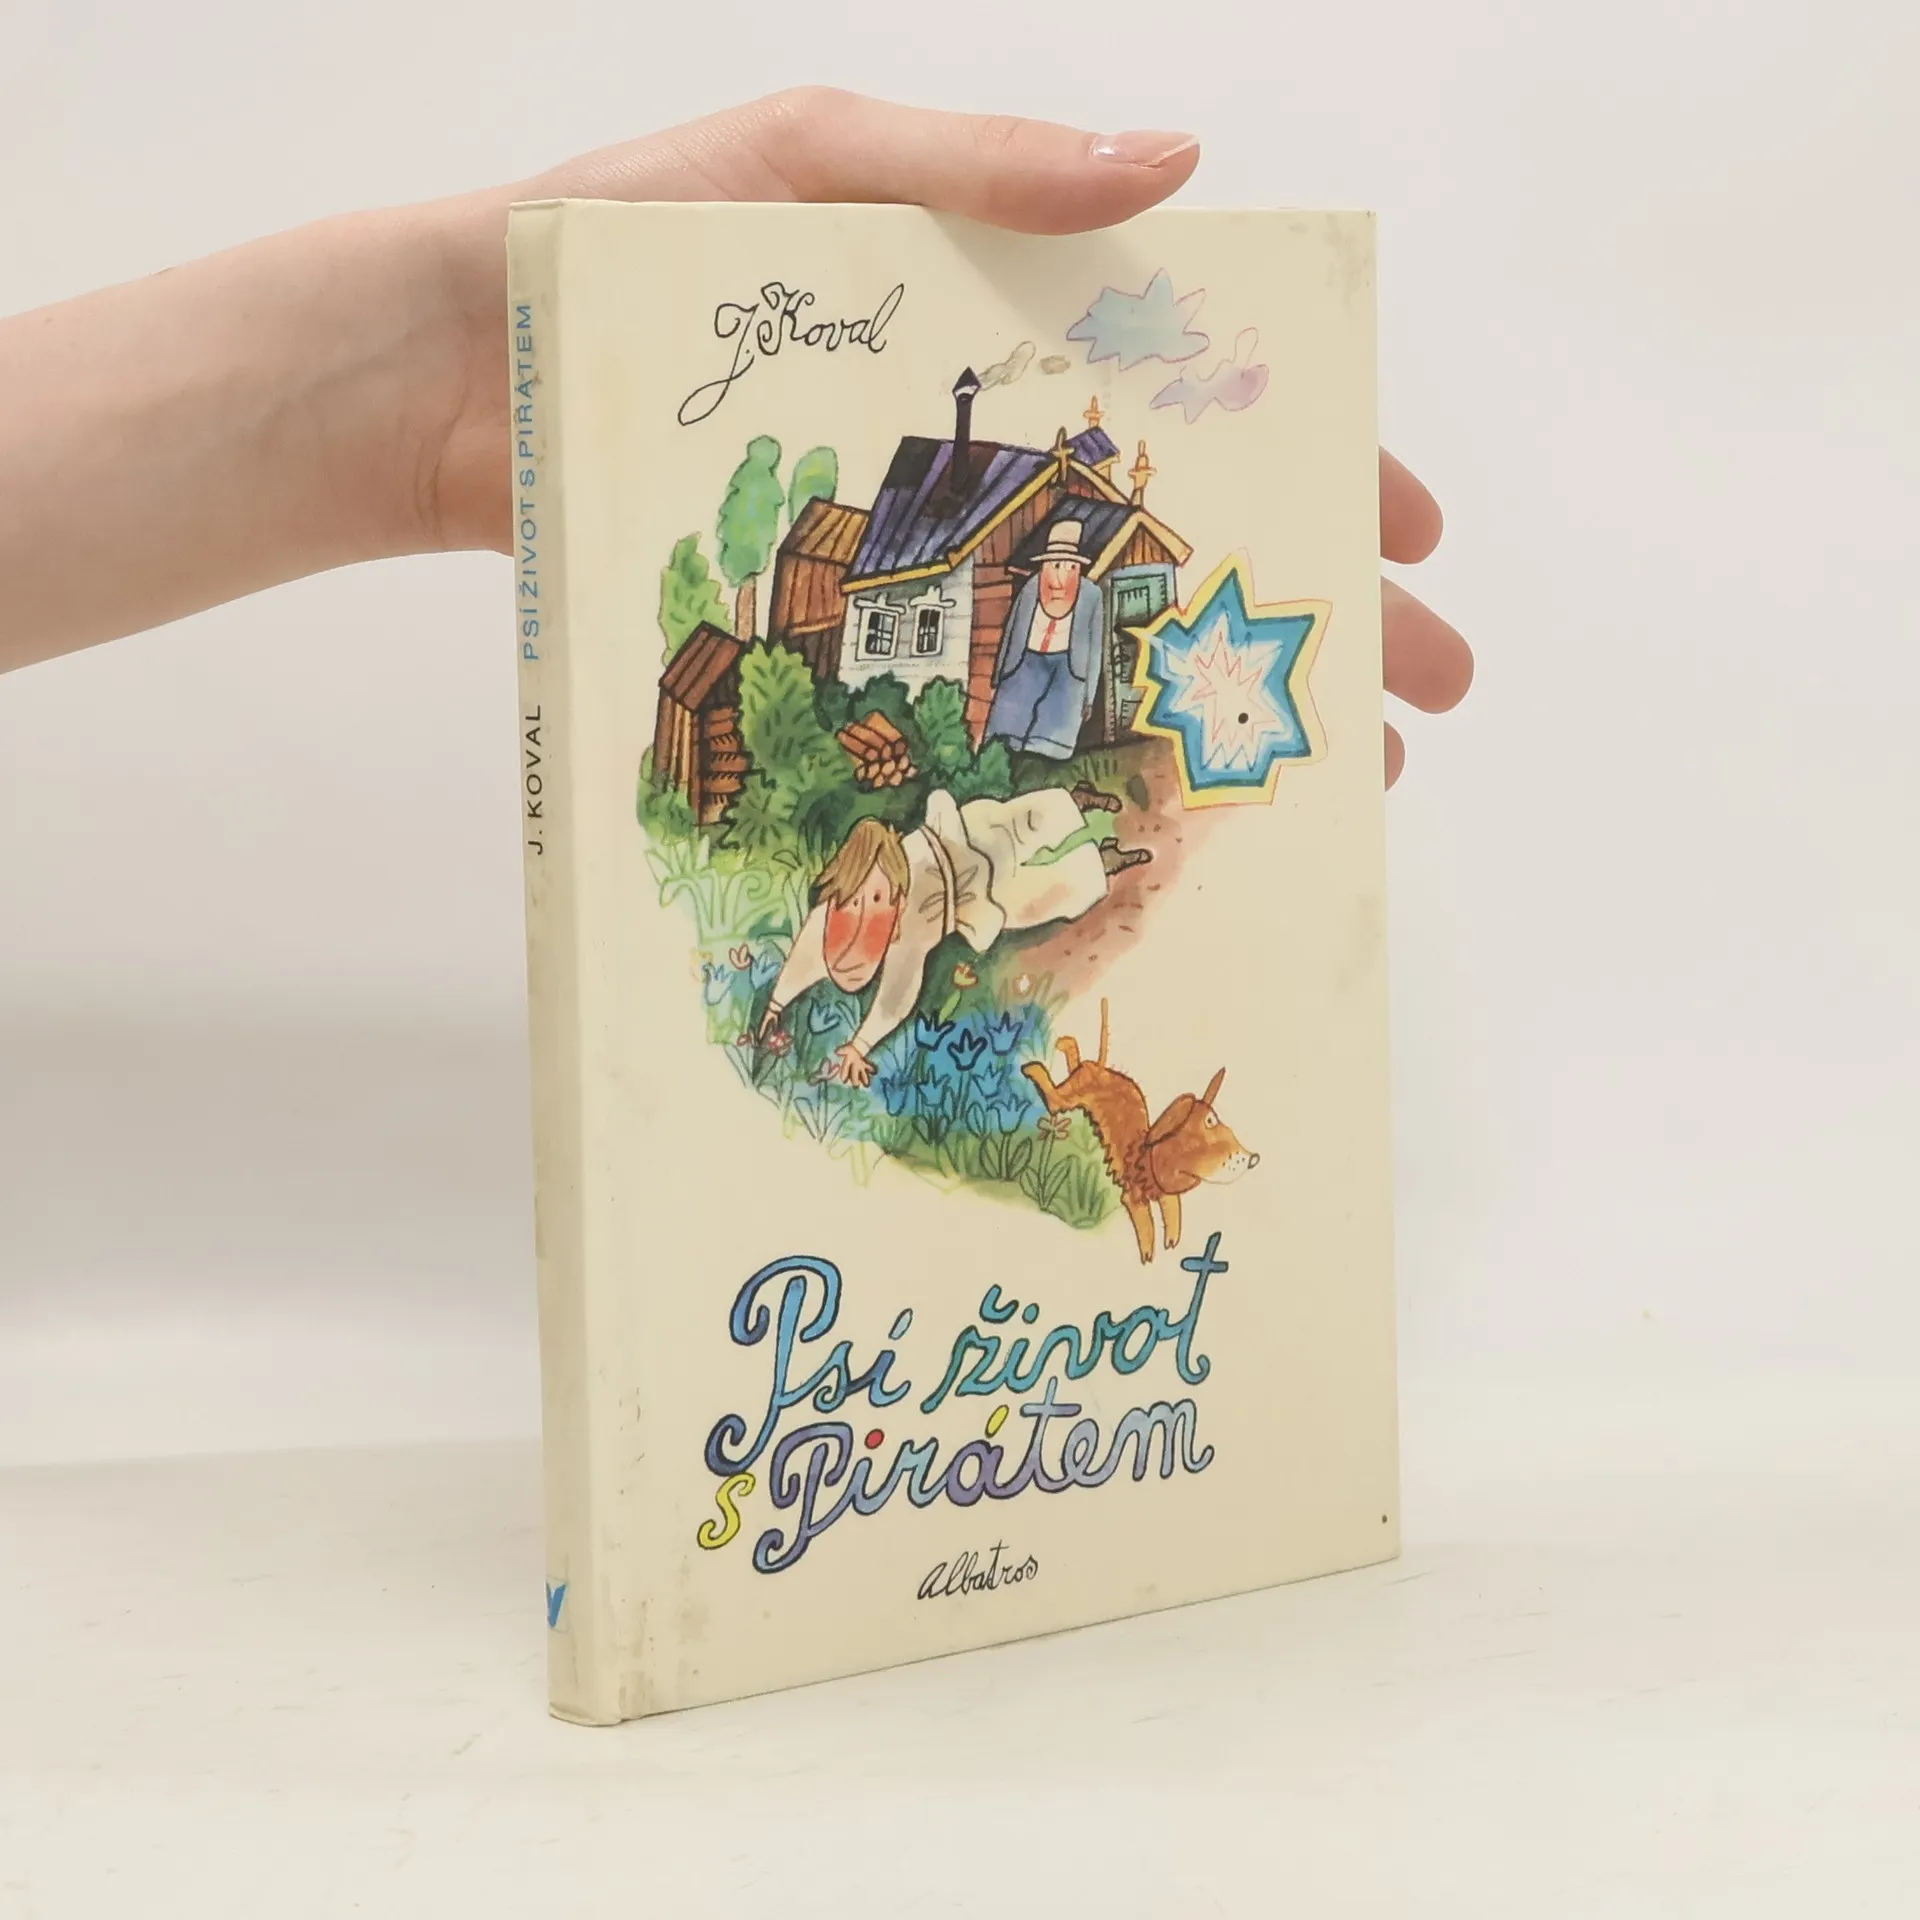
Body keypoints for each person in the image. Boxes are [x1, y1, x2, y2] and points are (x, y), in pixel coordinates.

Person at [0, 90, 1472, 788]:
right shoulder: (950, 548)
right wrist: (480, 341)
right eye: (1058, 560)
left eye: (1069, 561)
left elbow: (1066, 632)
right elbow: (960, 606)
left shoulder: (1073, 579)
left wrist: (442, 352)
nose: (1062, 566)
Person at [760, 781, 1146, 1086]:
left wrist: (852, 1042)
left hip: (961, 837)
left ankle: (1076, 801)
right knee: (1044, 897)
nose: (869, 909)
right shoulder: (889, 933)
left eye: (876, 896)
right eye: (861, 901)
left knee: (1023, 822)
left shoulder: (888, 876)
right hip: (972, 903)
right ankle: (1104, 863)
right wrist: (783, 1006)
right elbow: (892, 993)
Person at [985, 518, 1107, 758]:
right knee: (1006, 728)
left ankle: (1043, 758)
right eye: (1056, 565)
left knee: (1052, 736)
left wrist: (1088, 698)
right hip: (1025, 663)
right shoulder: (1031, 588)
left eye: (1071, 567)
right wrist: (998, 676)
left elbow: (1095, 650)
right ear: (1045, 565)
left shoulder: (1091, 596)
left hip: (1069, 669)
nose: (1061, 577)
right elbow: (1012, 631)